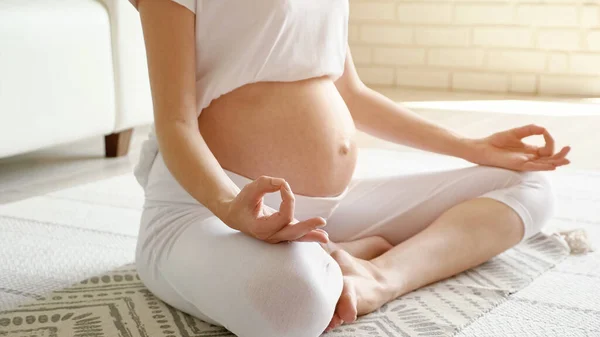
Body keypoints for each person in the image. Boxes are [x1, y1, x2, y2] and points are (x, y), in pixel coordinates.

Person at [129, 0, 571, 336]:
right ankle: (335, 257)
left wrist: (471, 147)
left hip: (323, 214)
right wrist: (229, 206)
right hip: (206, 212)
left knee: (527, 185)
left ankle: (379, 276)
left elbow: (353, 95)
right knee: (292, 304)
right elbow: (176, 123)